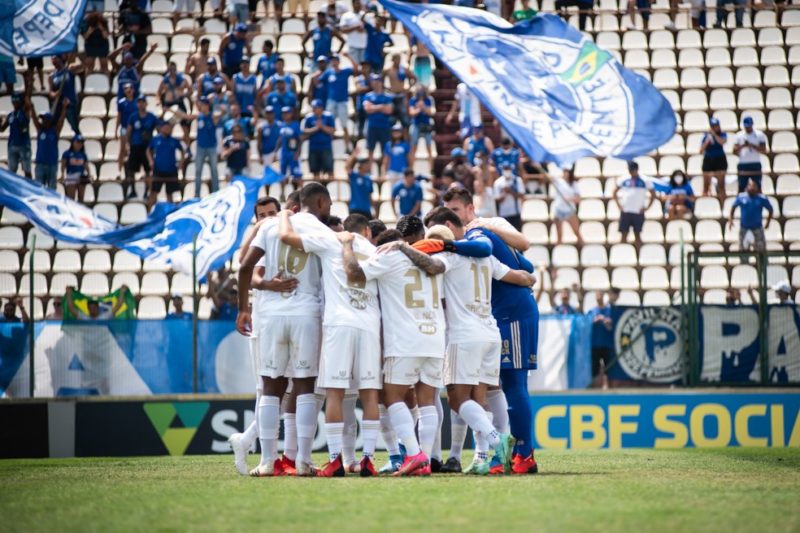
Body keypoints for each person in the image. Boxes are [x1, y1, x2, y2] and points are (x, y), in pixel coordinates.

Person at [276, 185, 382, 477]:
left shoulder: (329, 240)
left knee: (334, 393)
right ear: (366, 230)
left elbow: (286, 236)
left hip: (339, 324)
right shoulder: (372, 250)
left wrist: (285, 213)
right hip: (369, 325)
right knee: (369, 394)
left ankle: (335, 460)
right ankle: (368, 459)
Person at [422, 207, 536, 475]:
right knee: (482, 396)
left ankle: (497, 441)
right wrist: (530, 279)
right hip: (490, 332)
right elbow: (522, 275)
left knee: (457, 399)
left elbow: (433, 271)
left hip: (464, 335)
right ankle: (483, 457)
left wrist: (407, 250)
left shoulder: (448, 258)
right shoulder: (485, 258)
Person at [338, 228, 448, 476]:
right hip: (434, 336)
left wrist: (346, 245)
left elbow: (354, 274)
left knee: (390, 395)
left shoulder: (388, 257)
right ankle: (424, 460)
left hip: (405, 339)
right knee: (427, 401)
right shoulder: (431, 260)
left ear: (383, 245)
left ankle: (414, 453)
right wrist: (404, 247)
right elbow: (438, 268)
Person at [235, 193, 322, 477]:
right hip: (306, 313)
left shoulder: (269, 227)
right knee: (304, 385)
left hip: (271, 316)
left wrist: (243, 308)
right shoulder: (316, 227)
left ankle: (267, 462)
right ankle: (303, 460)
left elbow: (244, 266)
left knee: (270, 387)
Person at [175, 97, 223, 196]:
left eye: (203, 105)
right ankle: (197, 194)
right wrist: (172, 110)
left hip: (211, 147)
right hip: (200, 147)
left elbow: (223, 111)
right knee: (198, 170)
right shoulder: (199, 116)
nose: (201, 106)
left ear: (207, 106)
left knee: (214, 170)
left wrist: (215, 100)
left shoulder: (213, 116)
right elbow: (186, 116)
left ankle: (216, 191)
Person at [728, 178, 773, 258]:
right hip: (744, 228)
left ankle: (761, 263)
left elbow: (770, 209)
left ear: (757, 188)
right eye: (750, 185)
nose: (752, 188)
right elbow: (733, 208)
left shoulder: (762, 198)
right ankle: (744, 263)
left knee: (761, 251)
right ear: (747, 187)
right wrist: (731, 220)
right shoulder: (741, 197)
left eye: (754, 186)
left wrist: (768, 222)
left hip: (757, 228)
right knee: (742, 250)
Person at [146, 121, 186, 210]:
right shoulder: (156, 139)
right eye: (166, 128)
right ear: (161, 128)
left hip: (171, 170)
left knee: (170, 193)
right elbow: (148, 150)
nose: (168, 130)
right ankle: (150, 213)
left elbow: (183, 150)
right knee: (153, 192)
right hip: (158, 170)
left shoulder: (174, 140)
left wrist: (181, 162)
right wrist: (150, 161)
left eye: (169, 128)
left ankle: (170, 213)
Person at [614, 161, 654, 247]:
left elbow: (653, 194)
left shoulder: (645, 180)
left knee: (637, 236)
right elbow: (614, 192)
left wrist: (647, 207)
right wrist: (619, 205)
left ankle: (638, 254)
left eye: (633, 170)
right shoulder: (623, 179)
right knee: (623, 235)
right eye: (630, 170)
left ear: (637, 169)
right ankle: (623, 252)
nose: (631, 172)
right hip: (626, 211)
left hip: (638, 211)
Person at [125, 96, 159, 199]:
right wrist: (128, 144)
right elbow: (129, 131)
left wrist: (154, 142)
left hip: (147, 147)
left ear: (146, 104)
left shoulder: (151, 117)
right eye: (139, 102)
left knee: (148, 170)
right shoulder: (133, 116)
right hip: (135, 146)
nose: (141, 104)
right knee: (131, 170)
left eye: (143, 102)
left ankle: (146, 192)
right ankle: (133, 190)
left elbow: (158, 129)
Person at [157, 62, 193, 148]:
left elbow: (190, 91)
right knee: (168, 128)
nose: (172, 71)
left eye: (173, 69)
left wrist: (183, 94)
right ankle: (166, 147)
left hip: (179, 103)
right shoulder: (164, 81)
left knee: (185, 127)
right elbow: (158, 93)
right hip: (169, 104)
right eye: (170, 69)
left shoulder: (183, 80)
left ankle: (187, 148)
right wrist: (159, 102)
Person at [323, 54, 356, 148]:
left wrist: (349, 57)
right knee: (329, 125)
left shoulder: (345, 71)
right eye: (332, 61)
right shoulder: (328, 72)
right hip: (331, 102)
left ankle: (347, 147)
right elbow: (318, 80)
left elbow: (356, 69)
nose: (333, 62)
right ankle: (328, 146)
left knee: (344, 125)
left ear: (338, 62)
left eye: (335, 60)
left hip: (342, 102)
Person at [587, 289, 617, 388]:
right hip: (595, 345)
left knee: (609, 368)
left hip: (607, 344)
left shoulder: (609, 310)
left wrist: (607, 321)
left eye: (600, 295)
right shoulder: (592, 311)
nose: (599, 297)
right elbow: (586, 326)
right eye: (597, 295)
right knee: (595, 368)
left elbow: (613, 325)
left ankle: (608, 387)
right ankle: (595, 387)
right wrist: (594, 321)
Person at [32, 107, 68, 190]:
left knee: (52, 189)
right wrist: (32, 107)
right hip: (40, 163)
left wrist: (64, 108)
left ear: (49, 121)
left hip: (52, 164)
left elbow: (61, 121)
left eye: (44, 119)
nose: (42, 121)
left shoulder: (55, 131)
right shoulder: (40, 130)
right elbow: (34, 119)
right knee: (39, 188)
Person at [48, 54, 83, 135]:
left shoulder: (69, 70)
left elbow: (83, 66)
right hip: (58, 106)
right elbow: (50, 93)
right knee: (54, 127)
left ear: (60, 59)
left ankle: (79, 141)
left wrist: (76, 55)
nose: (53, 61)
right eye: (52, 59)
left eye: (55, 58)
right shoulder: (51, 76)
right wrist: (55, 94)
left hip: (70, 104)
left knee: (75, 127)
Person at [363, 74, 394, 164]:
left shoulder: (388, 96)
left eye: (378, 81)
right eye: (374, 81)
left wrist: (374, 107)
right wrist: (381, 106)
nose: (376, 83)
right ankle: (369, 168)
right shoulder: (368, 96)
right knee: (370, 149)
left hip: (384, 126)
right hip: (372, 126)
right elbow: (367, 109)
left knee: (385, 150)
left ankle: (384, 169)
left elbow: (389, 110)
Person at [1, 92, 32, 179]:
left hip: (24, 145)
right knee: (11, 172)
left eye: (17, 99)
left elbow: (29, 105)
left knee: (27, 171)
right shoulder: (10, 115)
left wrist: (26, 94)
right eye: (13, 99)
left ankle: (29, 186)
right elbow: (2, 129)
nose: (15, 102)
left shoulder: (25, 112)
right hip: (12, 145)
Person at [303, 99, 336, 181]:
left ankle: (329, 186)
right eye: (313, 107)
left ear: (321, 108)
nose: (314, 109)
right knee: (315, 171)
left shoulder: (329, 116)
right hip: (313, 147)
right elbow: (305, 131)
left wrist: (322, 127)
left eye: (316, 107)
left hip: (326, 147)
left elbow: (332, 130)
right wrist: (316, 128)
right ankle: (317, 187)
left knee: (329, 170)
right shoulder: (309, 118)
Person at [733, 116, 767, 193]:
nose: (747, 128)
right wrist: (743, 146)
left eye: (749, 126)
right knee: (741, 187)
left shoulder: (759, 135)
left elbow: (763, 150)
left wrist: (752, 145)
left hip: (755, 163)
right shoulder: (739, 135)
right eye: (746, 126)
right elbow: (734, 151)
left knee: (758, 187)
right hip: (743, 163)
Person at [550, 167, 582, 244]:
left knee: (577, 232)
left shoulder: (574, 184)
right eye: (564, 171)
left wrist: (569, 199)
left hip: (570, 211)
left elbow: (578, 199)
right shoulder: (558, 181)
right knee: (559, 236)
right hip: (559, 210)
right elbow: (548, 177)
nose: (565, 173)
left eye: (567, 172)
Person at [384, 53, 416, 127]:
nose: (397, 61)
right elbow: (381, 80)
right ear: (392, 60)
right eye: (396, 59)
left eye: (398, 59)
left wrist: (409, 88)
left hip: (402, 95)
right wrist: (386, 89)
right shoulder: (388, 70)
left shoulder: (404, 69)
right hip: (392, 95)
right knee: (391, 119)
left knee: (405, 119)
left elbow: (414, 78)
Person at [408, 86, 434, 174]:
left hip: (426, 125)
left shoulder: (429, 99)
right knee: (413, 147)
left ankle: (431, 170)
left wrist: (424, 107)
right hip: (416, 125)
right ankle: (411, 169)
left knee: (429, 147)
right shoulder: (413, 100)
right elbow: (411, 113)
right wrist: (419, 109)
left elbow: (431, 112)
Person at [700, 117, 728, 200]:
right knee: (706, 185)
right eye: (713, 126)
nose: (714, 127)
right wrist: (707, 141)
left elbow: (722, 142)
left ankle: (722, 203)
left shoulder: (722, 134)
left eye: (716, 125)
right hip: (708, 159)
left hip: (720, 159)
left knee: (721, 185)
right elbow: (701, 150)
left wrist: (714, 135)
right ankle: (704, 202)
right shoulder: (706, 136)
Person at [65, 286, 130, 320]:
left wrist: (122, 292)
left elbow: (118, 305)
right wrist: (69, 293)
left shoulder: (105, 317)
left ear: (98, 307)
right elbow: (71, 308)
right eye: (90, 308)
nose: (92, 310)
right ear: (88, 308)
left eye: (94, 307)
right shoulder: (84, 318)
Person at [493, 162, 526, 231]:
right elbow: (497, 200)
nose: (506, 171)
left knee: (517, 233)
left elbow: (522, 195)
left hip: (516, 213)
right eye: (505, 169)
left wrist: (511, 191)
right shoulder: (498, 182)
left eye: (508, 169)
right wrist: (504, 193)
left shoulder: (517, 180)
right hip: (504, 214)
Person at [61, 135, 92, 202]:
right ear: (73, 143)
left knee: (81, 198)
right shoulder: (67, 153)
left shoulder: (83, 154)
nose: (79, 144)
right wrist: (62, 174)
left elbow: (86, 165)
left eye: (81, 142)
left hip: (81, 176)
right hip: (71, 176)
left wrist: (89, 174)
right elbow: (63, 165)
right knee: (71, 198)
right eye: (78, 142)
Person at [346, 150, 374, 218]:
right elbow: (347, 167)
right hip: (355, 208)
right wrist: (353, 155)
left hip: (366, 209)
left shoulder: (368, 179)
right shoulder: (354, 176)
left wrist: (372, 208)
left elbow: (369, 195)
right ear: (361, 165)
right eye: (366, 163)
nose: (368, 165)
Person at [278, 106, 303, 183]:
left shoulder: (295, 125)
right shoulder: (281, 125)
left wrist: (298, 152)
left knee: (296, 174)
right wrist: (276, 151)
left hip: (293, 153)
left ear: (291, 114)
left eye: (287, 113)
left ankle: (300, 189)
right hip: (284, 153)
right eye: (283, 113)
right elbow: (280, 140)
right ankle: (282, 190)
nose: (285, 115)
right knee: (282, 175)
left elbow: (300, 139)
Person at [338, 0, 367, 64]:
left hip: (365, 46)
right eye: (357, 3)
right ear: (353, 4)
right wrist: (355, 27)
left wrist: (363, 30)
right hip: (353, 46)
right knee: (355, 67)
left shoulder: (366, 15)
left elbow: (371, 29)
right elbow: (342, 30)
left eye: (360, 3)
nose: (359, 5)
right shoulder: (346, 15)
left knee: (364, 67)